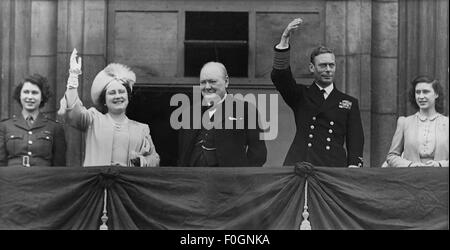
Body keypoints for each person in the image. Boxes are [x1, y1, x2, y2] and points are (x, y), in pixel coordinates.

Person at [270, 18, 364, 168]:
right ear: (312, 68)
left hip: (333, 168)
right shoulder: (301, 95)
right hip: (302, 166)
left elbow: (356, 139)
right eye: (323, 65)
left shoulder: (349, 102)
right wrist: (284, 40)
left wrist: (354, 165)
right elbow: (280, 78)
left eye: (331, 65)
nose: (328, 69)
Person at [58, 49, 160, 167]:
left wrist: (142, 161)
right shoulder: (94, 119)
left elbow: (154, 159)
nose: (117, 96)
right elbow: (74, 113)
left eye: (121, 92)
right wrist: (73, 77)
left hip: (127, 184)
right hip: (98, 183)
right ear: (104, 101)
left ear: (128, 96)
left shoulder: (142, 129)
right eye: (112, 93)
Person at [177, 62, 267, 167]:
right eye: (203, 82)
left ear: (226, 82)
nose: (207, 87)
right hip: (193, 181)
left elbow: (258, 154)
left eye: (212, 82)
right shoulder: (189, 113)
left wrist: (242, 179)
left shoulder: (246, 110)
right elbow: (182, 155)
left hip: (228, 181)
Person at [0, 74, 66, 167]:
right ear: (20, 95)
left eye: (34, 93)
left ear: (42, 97)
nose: (30, 97)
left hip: (43, 180)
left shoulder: (54, 128)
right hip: (13, 180)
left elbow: (59, 167)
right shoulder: (5, 126)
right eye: (26, 92)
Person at [385, 76, 448, 168]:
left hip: (441, 179)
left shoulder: (447, 123)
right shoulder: (404, 122)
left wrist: (440, 164)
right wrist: (410, 165)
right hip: (411, 178)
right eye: (418, 92)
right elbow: (391, 156)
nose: (421, 96)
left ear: (436, 94)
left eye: (426, 92)